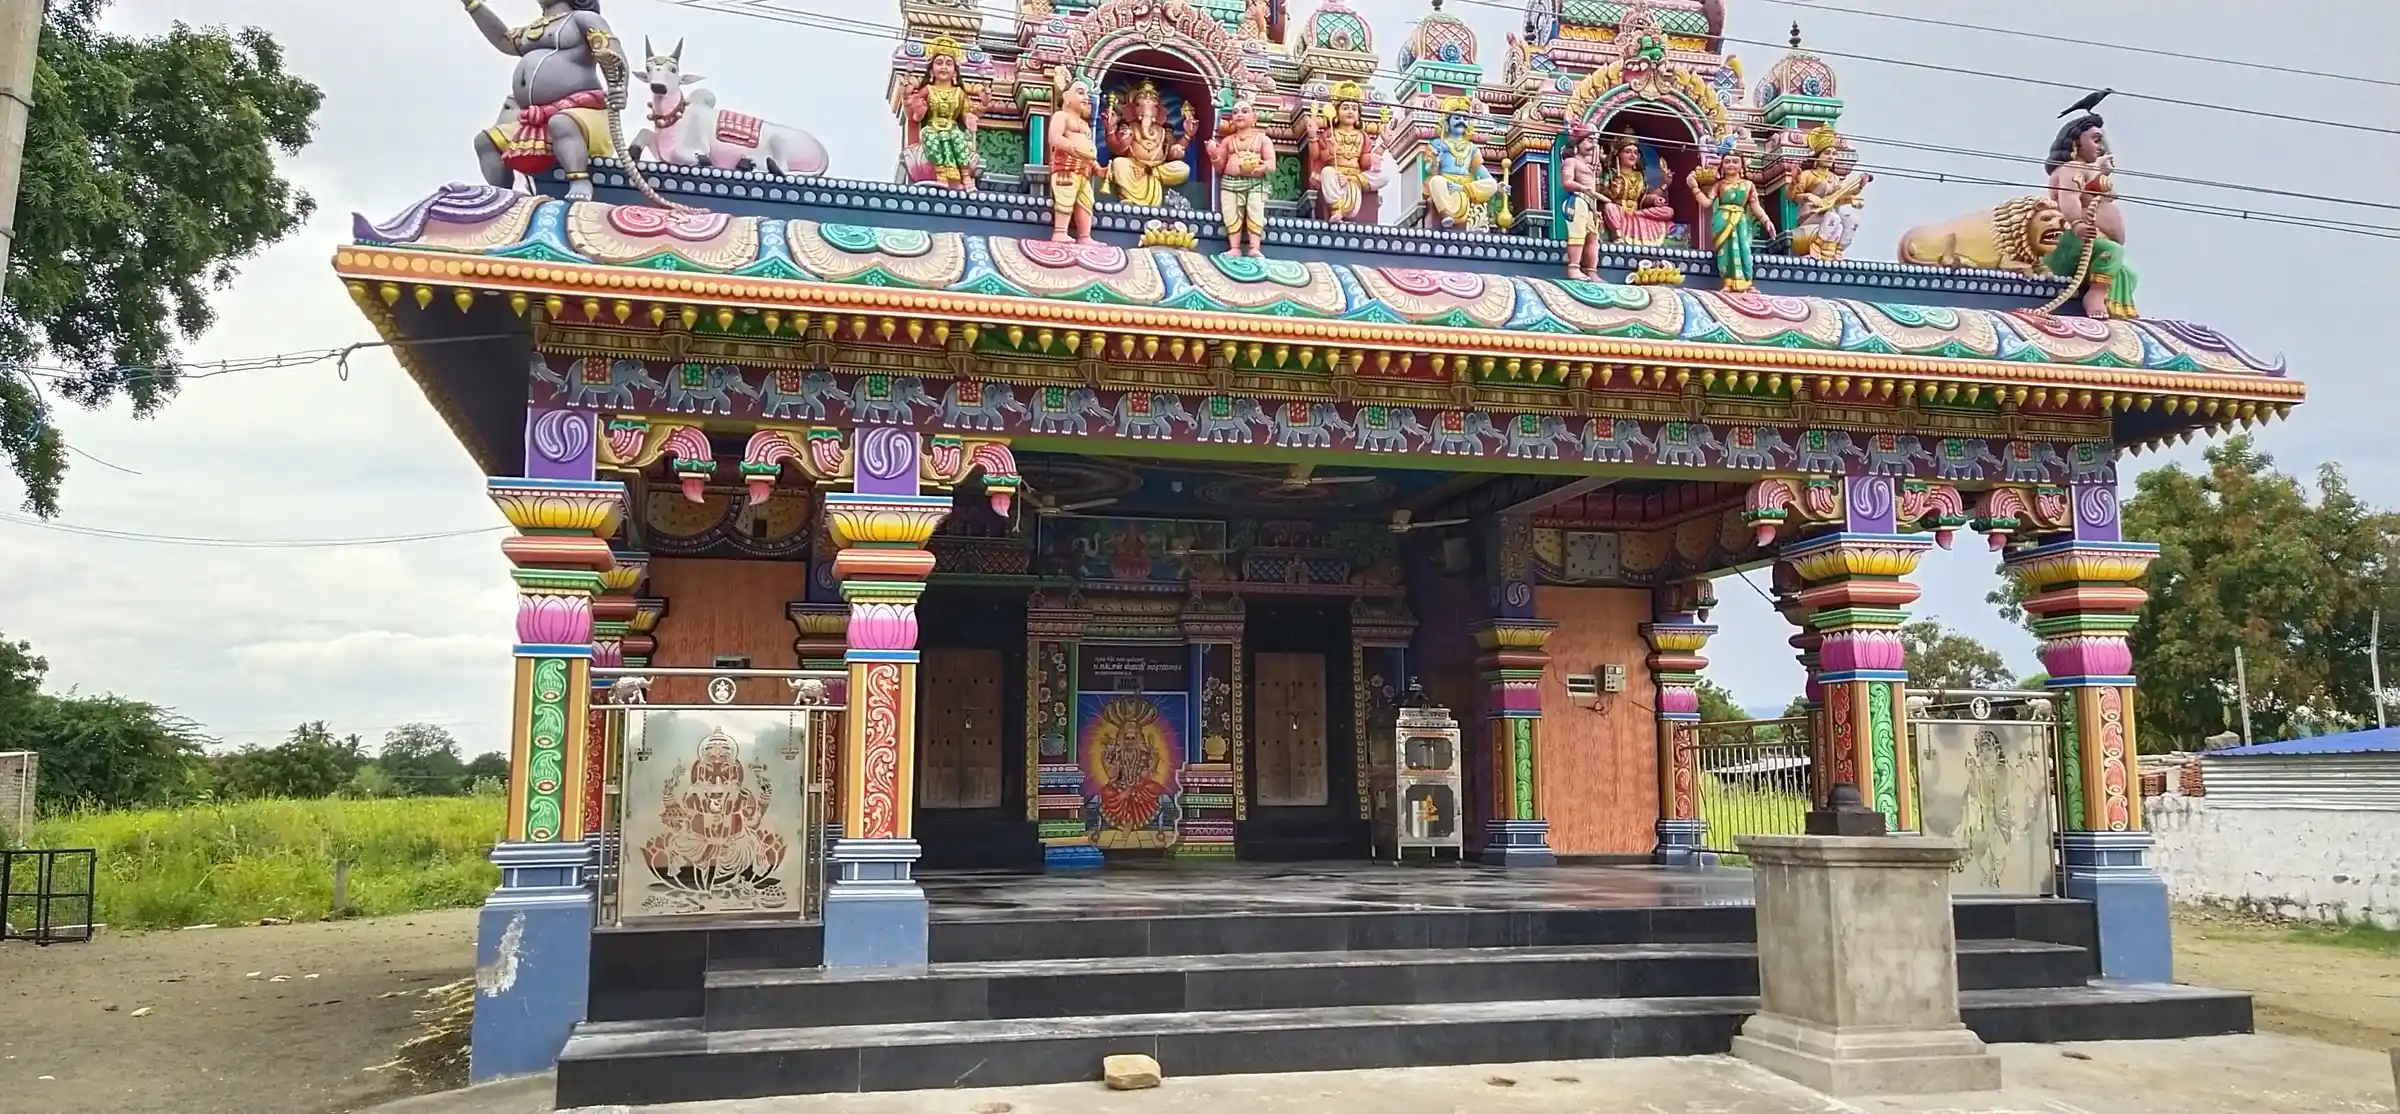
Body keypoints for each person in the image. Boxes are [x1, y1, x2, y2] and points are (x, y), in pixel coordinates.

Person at [463, 0, 621, 199]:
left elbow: (609, 51)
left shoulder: (583, 19)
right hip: (537, 120)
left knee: (562, 123)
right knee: (486, 141)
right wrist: (474, 6)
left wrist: (619, 88)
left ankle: (579, 181)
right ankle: (503, 194)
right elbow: (503, 39)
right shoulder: (534, 28)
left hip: (583, 114)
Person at [2044, 113, 2138, 318]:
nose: (2101, 146)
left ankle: (2104, 297)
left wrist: (2100, 172)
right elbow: (2069, 197)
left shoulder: (2087, 169)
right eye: (2096, 140)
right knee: (2112, 251)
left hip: (2094, 246)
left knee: (2127, 274)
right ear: (2076, 141)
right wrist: (2077, 224)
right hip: (2073, 240)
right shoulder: (2072, 168)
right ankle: (2094, 296)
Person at [1689, 146, 1775, 292]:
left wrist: (1767, 221)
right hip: (1722, 221)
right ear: (1722, 166)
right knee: (1726, 251)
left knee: (1744, 249)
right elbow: (1706, 203)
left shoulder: (1748, 185)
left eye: (1735, 161)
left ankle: (1747, 282)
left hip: (1741, 222)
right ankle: (1728, 282)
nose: (1731, 165)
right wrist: (1694, 187)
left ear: (1742, 165)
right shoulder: (1719, 185)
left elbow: (1755, 207)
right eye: (1727, 162)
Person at [905, 39, 982, 190]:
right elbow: (915, 116)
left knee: (958, 137)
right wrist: (919, 109)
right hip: (932, 126)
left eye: (948, 63)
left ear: (955, 71)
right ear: (931, 70)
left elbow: (966, 113)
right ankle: (941, 175)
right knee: (930, 135)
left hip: (952, 127)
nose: (944, 67)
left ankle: (965, 177)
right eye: (939, 63)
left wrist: (972, 117)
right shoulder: (927, 90)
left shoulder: (959, 93)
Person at [1305, 84, 1387, 223]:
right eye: (1345, 108)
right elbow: (1317, 156)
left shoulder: (1362, 136)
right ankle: (1336, 209)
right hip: (1337, 173)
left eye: (1354, 109)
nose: (1350, 111)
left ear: (1359, 115)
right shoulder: (1330, 133)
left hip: (1356, 175)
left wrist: (1383, 145)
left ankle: (1353, 181)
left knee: (1384, 177)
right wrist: (1315, 137)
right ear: (1336, 113)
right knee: (1327, 172)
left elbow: (1364, 160)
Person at [1105, 80, 1194, 207]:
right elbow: (1116, 149)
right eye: (1140, 104)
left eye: (1153, 105)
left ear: (1159, 111)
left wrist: (1187, 136)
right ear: (1132, 109)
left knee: (1183, 169)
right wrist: (1111, 131)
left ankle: (1153, 175)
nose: (1147, 107)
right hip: (1133, 168)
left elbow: (1171, 154)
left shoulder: (1163, 131)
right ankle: (1128, 197)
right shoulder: (1128, 127)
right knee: (1119, 163)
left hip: (1157, 170)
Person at [1209, 99, 1278, 257]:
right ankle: (1234, 247)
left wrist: (1263, 167)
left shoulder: (1262, 139)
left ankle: (1254, 247)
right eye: (1235, 112)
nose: (1239, 114)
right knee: (1230, 213)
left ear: (1254, 117)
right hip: (1229, 183)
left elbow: (1272, 165)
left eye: (1244, 111)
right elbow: (1220, 168)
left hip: (1255, 183)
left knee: (1255, 211)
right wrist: (1213, 154)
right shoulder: (1227, 141)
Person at [1788, 128, 1870, 260]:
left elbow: (1837, 198)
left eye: (1833, 154)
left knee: (1852, 220)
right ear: (1817, 156)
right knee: (1834, 218)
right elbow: (1792, 195)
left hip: (1829, 213)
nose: (1831, 156)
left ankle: (1838, 250)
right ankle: (1817, 246)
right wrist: (1809, 195)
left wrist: (1857, 191)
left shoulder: (1834, 178)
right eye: (1826, 153)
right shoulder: (1808, 175)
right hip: (1810, 214)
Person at [1421, 98, 1498, 229]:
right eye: (1456, 118)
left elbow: (1480, 171)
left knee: (1492, 184)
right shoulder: (1438, 144)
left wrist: (1496, 185)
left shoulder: (1472, 147)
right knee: (1435, 181)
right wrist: (1435, 160)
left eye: (1465, 118)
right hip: (1446, 182)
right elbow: (1430, 170)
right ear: (1447, 122)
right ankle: (1445, 214)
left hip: (1465, 185)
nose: (1461, 121)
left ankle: (1462, 190)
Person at [1048, 72, 1099, 243]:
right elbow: (1054, 138)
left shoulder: (1084, 125)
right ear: (1066, 97)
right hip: (1066, 169)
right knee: (1065, 198)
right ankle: (1060, 232)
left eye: (1086, 94)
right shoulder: (1061, 116)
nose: (1086, 98)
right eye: (1080, 92)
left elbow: (1090, 152)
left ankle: (1085, 236)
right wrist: (1073, 148)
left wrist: (1099, 169)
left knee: (1086, 202)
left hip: (1084, 171)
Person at [1559, 125, 1604, 279]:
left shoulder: (1588, 166)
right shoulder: (1570, 162)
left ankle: (1591, 271)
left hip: (1590, 205)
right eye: (1589, 140)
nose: (1593, 145)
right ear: (1578, 143)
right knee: (1577, 235)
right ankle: (1574, 268)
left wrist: (1595, 209)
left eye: (1595, 141)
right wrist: (1584, 189)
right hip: (1577, 202)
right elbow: (1566, 183)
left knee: (1592, 239)